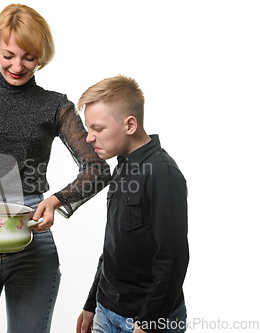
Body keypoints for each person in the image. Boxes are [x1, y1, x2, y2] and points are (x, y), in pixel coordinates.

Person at [0, 4, 111, 333]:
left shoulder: (55, 105)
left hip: (31, 235)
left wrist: (56, 201)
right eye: (9, 54)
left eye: (29, 57)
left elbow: (98, 170)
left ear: (41, 55)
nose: (17, 66)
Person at [75, 75, 189, 333]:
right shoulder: (121, 167)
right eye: (88, 129)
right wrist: (92, 302)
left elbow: (173, 259)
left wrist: (147, 325)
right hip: (106, 311)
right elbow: (113, 247)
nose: (89, 138)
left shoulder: (163, 174)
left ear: (129, 125)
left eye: (98, 128)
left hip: (147, 320)